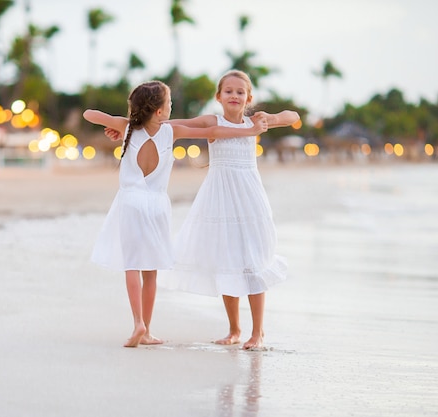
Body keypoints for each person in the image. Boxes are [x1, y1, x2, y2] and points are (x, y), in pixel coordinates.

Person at [83, 80, 268, 348]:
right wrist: (249, 132)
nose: (171, 108)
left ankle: (139, 324)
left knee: (131, 266)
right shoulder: (172, 131)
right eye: (169, 104)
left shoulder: (129, 128)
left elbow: (90, 114)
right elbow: (215, 130)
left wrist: (120, 121)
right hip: (157, 206)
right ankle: (146, 331)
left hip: (130, 202)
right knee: (151, 271)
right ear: (159, 112)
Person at [159, 70, 300, 350]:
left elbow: (293, 117)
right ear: (219, 97)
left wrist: (269, 119)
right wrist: (138, 123)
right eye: (229, 91)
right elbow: (177, 124)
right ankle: (234, 329)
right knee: (227, 259)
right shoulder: (214, 121)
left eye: (240, 92)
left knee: (253, 260)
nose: (234, 96)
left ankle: (257, 332)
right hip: (220, 197)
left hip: (250, 198)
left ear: (249, 98)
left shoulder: (254, 122)